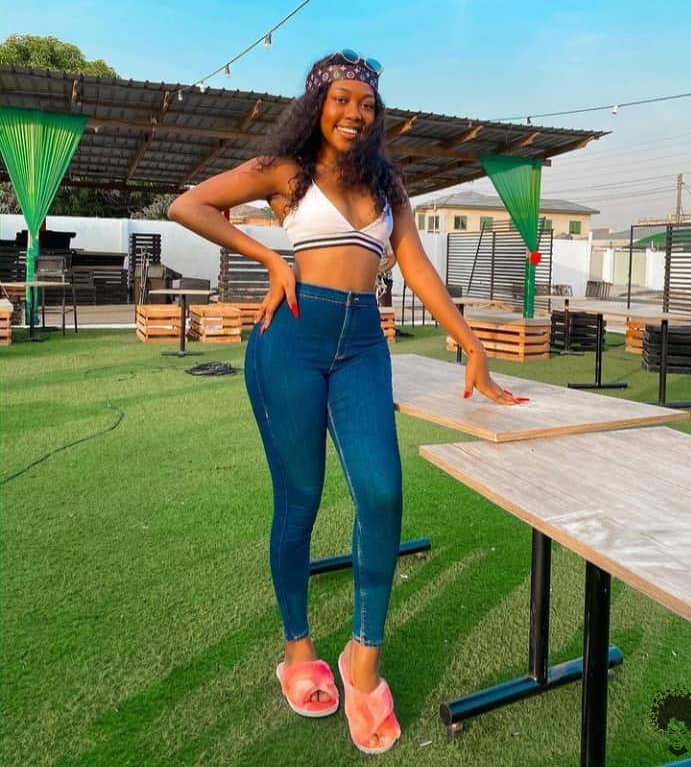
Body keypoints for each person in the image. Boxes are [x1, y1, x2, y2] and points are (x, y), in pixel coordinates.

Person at [167, 49, 526, 755]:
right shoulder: (286, 170)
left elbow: (416, 267)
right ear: (318, 105)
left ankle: (363, 659)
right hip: (291, 340)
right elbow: (189, 204)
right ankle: (298, 649)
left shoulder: (388, 185)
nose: (354, 113)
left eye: (366, 103)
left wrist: (472, 345)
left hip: (363, 342)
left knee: (383, 493)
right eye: (341, 100)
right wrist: (270, 258)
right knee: (299, 499)